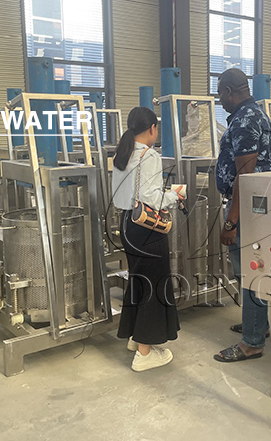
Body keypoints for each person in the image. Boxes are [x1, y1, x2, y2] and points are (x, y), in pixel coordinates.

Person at [112, 107, 186, 372]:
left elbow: (129, 194)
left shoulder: (122, 153)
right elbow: (151, 198)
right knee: (153, 285)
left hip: (127, 224)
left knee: (138, 280)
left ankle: (135, 337)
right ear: (152, 128)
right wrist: (175, 195)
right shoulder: (149, 155)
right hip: (147, 230)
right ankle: (145, 353)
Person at [213, 68, 271, 363]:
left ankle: (251, 343)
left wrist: (231, 221)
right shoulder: (255, 113)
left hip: (248, 209)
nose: (219, 100)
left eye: (219, 94)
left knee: (251, 271)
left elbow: (245, 176)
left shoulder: (245, 119)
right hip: (254, 205)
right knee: (253, 269)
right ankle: (259, 326)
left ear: (228, 90)